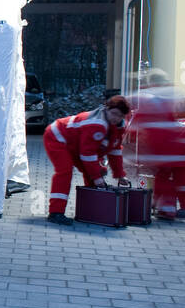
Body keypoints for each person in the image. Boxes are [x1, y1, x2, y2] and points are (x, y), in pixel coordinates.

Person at [44, 95, 131, 226]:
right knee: (65, 172)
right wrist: (96, 177)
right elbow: (88, 154)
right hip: (58, 137)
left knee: (96, 173)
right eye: (114, 113)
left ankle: (91, 210)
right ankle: (56, 212)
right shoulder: (97, 124)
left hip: (75, 144)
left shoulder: (119, 127)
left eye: (120, 116)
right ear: (106, 109)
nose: (116, 118)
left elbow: (115, 151)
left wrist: (120, 175)